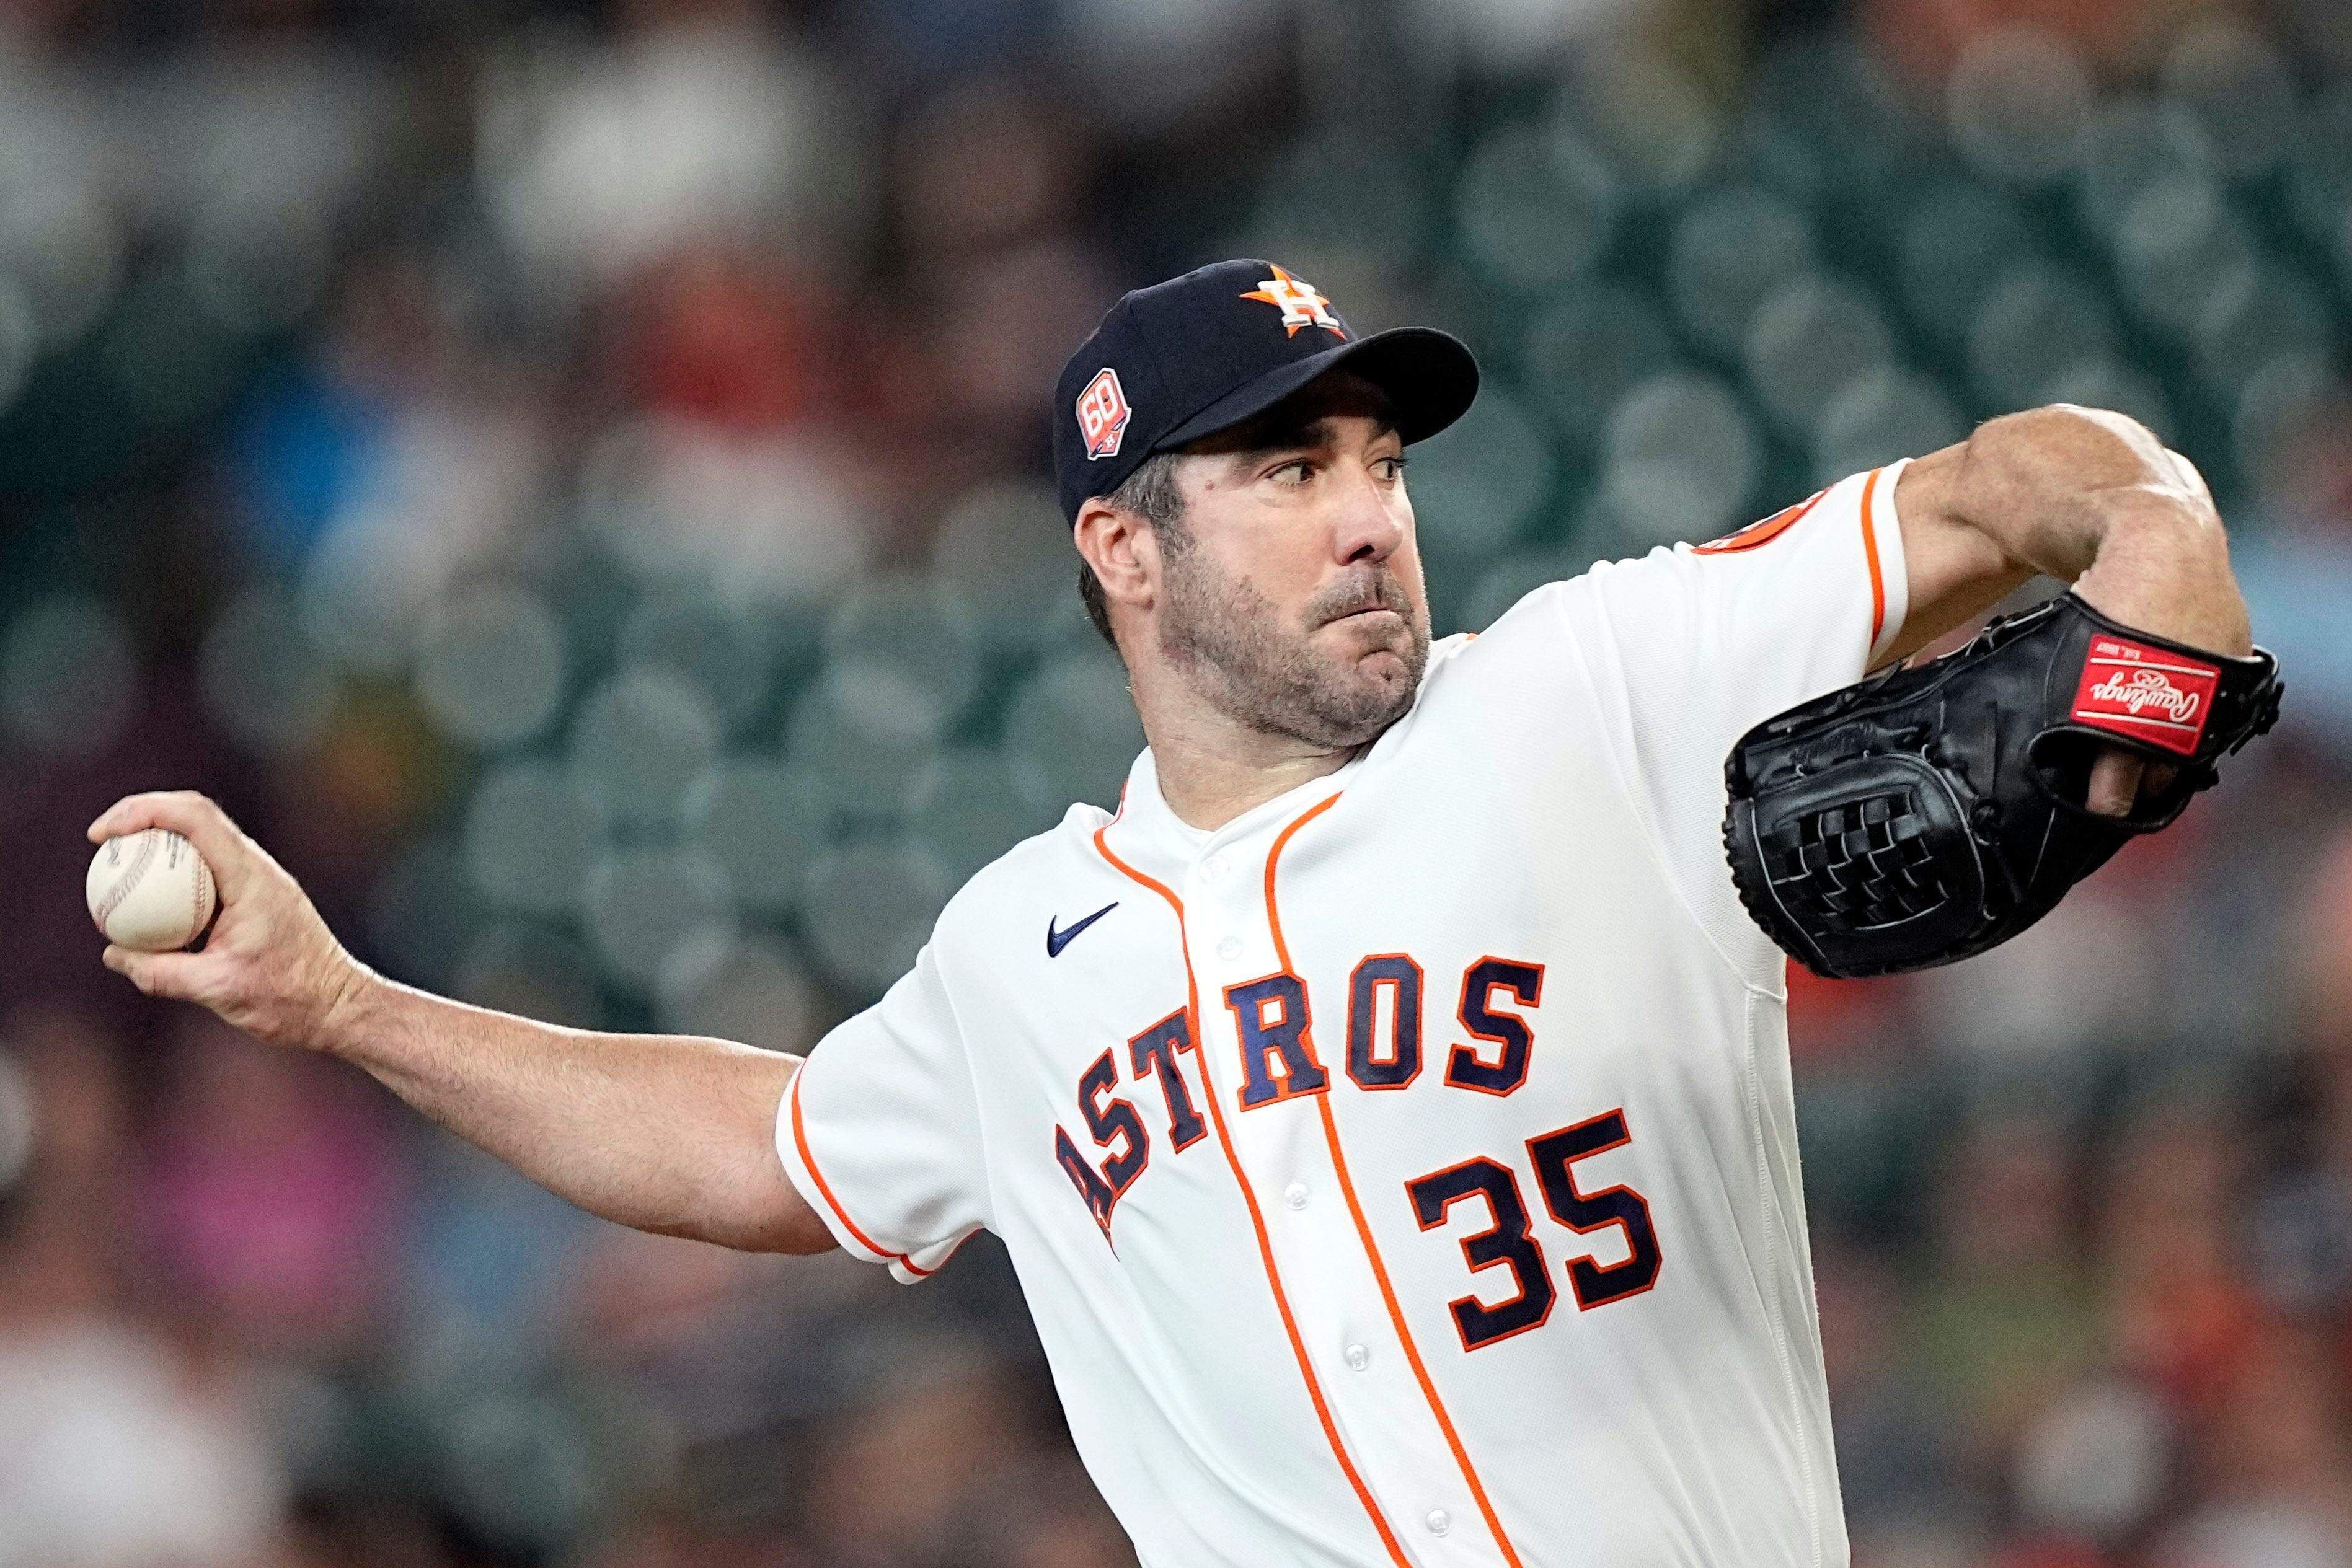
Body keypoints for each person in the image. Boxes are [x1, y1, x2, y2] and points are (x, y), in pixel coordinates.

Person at [92, 260, 2252, 1567]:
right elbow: (757, 1151)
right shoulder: (1023, 950)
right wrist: (348, 1004)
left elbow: (2035, 481)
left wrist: (2149, 616)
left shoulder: (1600, 683)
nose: (1367, 519)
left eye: (1379, 463)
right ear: (1123, 552)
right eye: (1289, 471)